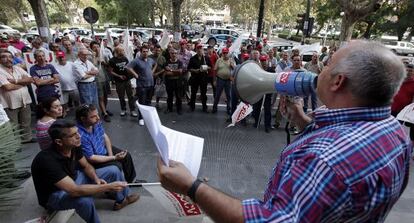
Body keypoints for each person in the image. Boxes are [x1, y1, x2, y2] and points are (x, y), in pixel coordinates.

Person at [157, 40, 411, 222]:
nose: (320, 69)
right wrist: (303, 121)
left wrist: (191, 187)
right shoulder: (395, 132)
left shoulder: (323, 161)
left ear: (337, 81)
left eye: (327, 64)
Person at [31, 120, 139, 223]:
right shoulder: (47, 160)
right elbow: (74, 190)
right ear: (59, 141)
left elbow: (86, 165)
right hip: (57, 194)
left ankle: (122, 200)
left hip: (75, 178)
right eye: (73, 135)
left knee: (113, 170)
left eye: (77, 132)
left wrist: (96, 179)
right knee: (85, 201)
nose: (79, 136)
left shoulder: (74, 145)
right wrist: (107, 187)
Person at [76, 104, 142, 183]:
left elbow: (104, 137)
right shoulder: (80, 135)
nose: (98, 118)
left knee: (126, 156)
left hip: (102, 149)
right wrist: (113, 158)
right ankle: (112, 189)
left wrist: (111, 155)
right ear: (83, 119)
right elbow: (91, 158)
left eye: (97, 114)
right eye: (93, 116)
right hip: (94, 160)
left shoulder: (95, 122)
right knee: (117, 166)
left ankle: (132, 181)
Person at [0, 50, 35, 143]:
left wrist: (15, 81)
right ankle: (17, 142)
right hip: (9, 102)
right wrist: (23, 83)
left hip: (25, 99)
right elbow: (8, 87)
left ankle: (27, 138)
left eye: (10, 57)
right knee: (13, 124)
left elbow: (30, 79)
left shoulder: (17, 68)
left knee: (26, 121)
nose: (8, 59)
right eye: (4, 57)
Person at [126, 45, 157, 126]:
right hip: (141, 85)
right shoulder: (136, 60)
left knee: (148, 102)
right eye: (144, 51)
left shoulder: (150, 60)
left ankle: (147, 117)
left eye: (147, 51)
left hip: (151, 84)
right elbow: (128, 67)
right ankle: (141, 118)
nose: (145, 53)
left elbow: (155, 64)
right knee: (142, 103)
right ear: (140, 52)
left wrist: (152, 72)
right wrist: (135, 75)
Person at [109, 46, 136, 117]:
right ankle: (123, 109)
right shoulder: (112, 60)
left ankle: (132, 110)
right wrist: (119, 76)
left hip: (127, 80)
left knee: (130, 96)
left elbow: (128, 67)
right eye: (122, 51)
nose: (123, 52)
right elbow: (111, 71)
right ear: (117, 52)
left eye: (123, 50)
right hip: (119, 81)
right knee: (121, 96)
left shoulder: (125, 58)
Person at [91, 41, 112, 122]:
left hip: (105, 78)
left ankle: (104, 110)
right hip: (97, 80)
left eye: (98, 47)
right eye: (94, 47)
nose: (96, 49)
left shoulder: (103, 56)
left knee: (106, 96)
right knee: (101, 97)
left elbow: (108, 66)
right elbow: (93, 65)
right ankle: (104, 113)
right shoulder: (91, 57)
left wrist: (104, 61)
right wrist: (95, 57)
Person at [391, 63, 414, 141]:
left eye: (411, 71)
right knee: (391, 126)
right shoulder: (397, 80)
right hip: (392, 108)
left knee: (398, 127)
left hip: (403, 111)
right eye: (407, 70)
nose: (408, 72)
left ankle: (397, 140)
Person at [187, 44, 211, 112]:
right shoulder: (192, 58)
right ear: (196, 50)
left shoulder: (206, 58)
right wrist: (195, 70)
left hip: (203, 78)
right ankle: (192, 107)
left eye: (201, 49)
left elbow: (210, 67)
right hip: (195, 78)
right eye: (198, 49)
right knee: (193, 93)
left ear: (203, 50)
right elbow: (189, 68)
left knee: (203, 93)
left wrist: (205, 68)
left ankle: (204, 107)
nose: (200, 50)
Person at [252, 55, 273, 133]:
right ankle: (256, 121)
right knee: (256, 109)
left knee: (267, 110)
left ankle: (267, 125)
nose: (264, 62)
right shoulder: (257, 70)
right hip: (259, 92)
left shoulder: (271, 70)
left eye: (265, 61)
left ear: (267, 61)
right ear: (260, 61)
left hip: (267, 93)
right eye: (262, 61)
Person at [212, 47, 235, 116]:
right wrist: (214, 80)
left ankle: (228, 109)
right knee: (218, 94)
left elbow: (234, 69)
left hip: (228, 80)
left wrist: (232, 65)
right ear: (222, 53)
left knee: (228, 95)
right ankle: (214, 108)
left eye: (226, 53)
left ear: (228, 53)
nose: (225, 54)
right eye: (224, 53)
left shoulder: (231, 60)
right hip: (220, 79)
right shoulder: (219, 60)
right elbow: (215, 70)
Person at [164, 49, 184, 114]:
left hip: (178, 82)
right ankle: (169, 108)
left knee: (178, 96)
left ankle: (179, 109)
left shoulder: (180, 62)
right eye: (172, 53)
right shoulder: (166, 62)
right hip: (169, 82)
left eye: (175, 53)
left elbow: (180, 71)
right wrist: (176, 71)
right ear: (170, 54)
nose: (174, 55)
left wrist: (171, 70)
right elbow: (167, 73)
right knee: (169, 96)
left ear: (177, 54)